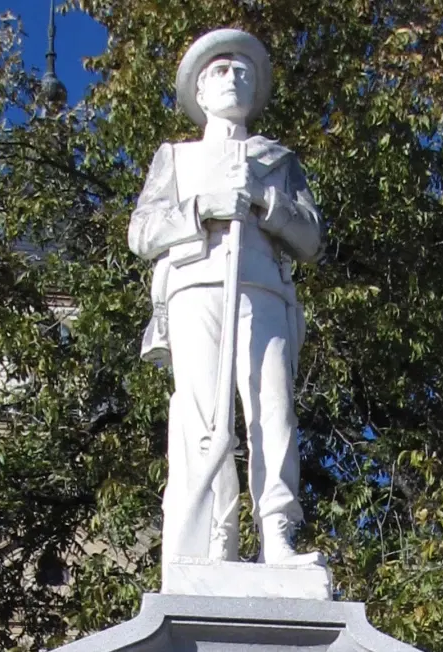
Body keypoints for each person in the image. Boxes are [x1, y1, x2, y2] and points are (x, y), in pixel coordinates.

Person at [129, 29, 324, 571]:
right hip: (195, 287)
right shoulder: (176, 158)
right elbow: (141, 233)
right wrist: (202, 208)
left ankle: (278, 534)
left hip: (260, 289)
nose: (232, 78)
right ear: (200, 90)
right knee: (204, 420)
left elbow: (312, 239)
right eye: (219, 71)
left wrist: (266, 201)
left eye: (242, 71)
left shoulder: (277, 161)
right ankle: (216, 541)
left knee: (273, 413)